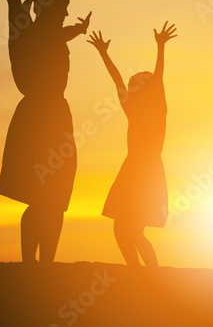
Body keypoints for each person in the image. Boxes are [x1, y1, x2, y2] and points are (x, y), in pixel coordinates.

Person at [0, 0, 91, 263]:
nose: (68, 11)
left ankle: (46, 266)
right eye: (64, 6)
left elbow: (64, 32)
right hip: (36, 117)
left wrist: (80, 30)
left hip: (58, 116)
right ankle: (30, 266)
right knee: (39, 196)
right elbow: (13, 0)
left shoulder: (55, 31)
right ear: (49, 6)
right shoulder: (26, 31)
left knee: (56, 198)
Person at [87, 22, 176, 267]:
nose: (129, 86)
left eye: (135, 83)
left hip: (146, 172)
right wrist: (104, 54)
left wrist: (160, 48)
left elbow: (158, 78)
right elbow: (116, 80)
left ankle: (149, 274)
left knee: (133, 231)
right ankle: (136, 271)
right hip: (132, 169)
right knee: (121, 230)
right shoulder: (133, 110)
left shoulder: (158, 110)